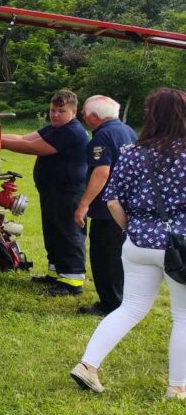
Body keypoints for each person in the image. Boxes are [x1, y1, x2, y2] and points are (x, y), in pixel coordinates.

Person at [70, 88, 186, 399]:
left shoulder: (133, 151)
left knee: (130, 308)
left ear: (150, 116)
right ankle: (176, 387)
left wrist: (132, 231)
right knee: (183, 316)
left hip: (137, 242)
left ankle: (88, 364)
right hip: (180, 246)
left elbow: (112, 201)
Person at [1, 90, 89, 296]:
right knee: (53, 232)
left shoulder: (71, 131)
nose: (55, 114)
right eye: (52, 110)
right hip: (53, 191)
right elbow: (23, 137)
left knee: (67, 233)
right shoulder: (56, 128)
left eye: (61, 111)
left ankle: (72, 281)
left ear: (74, 111)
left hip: (68, 192)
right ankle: (55, 273)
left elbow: (32, 147)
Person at [74, 95, 137, 315]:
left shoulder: (102, 137)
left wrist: (83, 205)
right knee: (118, 256)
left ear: (94, 116)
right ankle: (121, 299)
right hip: (126, 204)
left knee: (104, 256)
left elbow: (101, 172)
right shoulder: (128, 131)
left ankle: (110, 304)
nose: (82, 116)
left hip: (107, 209)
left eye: (84, 112)